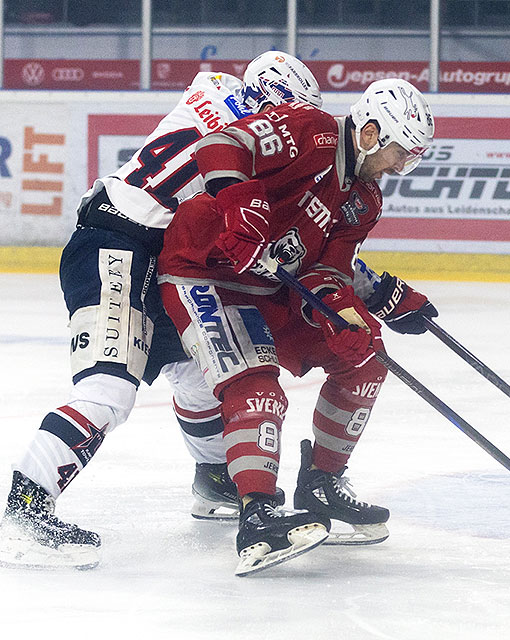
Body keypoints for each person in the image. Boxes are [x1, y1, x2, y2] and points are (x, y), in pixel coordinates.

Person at [0, 51, 323, 570]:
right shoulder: (243, 132)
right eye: (290, 116)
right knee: (107, 389)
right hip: (118, 246)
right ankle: (24, 512)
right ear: (273, 102)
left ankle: (214, 478)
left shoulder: (212, 90)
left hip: (146, 252)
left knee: (197, 370)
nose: (290, 132)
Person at [156, 79, 435, 573]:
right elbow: (223, 143)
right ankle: (258, 517)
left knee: (367, 358)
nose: (399, 167)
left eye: (410, 159)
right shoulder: (311, 130)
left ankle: (323, 483)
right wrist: (240, 204)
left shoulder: (365, 199)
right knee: (257, 385)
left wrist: (337, 316)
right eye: (398, 153)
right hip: (204, 269)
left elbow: (325, 271)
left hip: (271, 290)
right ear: (369, 133)